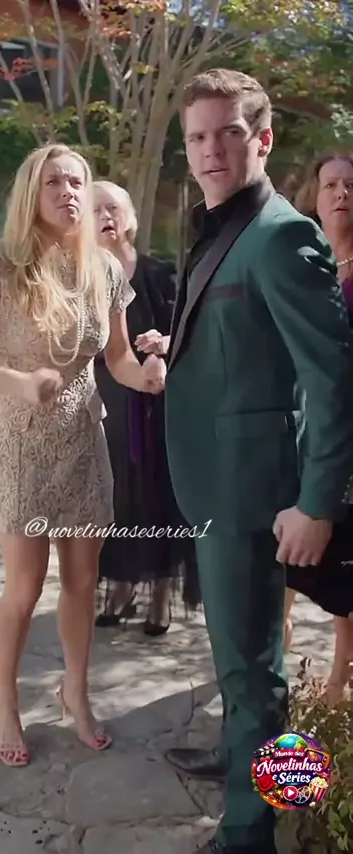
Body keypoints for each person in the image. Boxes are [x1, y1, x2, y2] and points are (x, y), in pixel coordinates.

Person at [138, 69, 353, 854]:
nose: (210, 150)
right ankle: (247, 764)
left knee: (254, 671)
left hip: (256, 494)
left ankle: (249, 831)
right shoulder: (218, 227)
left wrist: (317, 503)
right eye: (197, 137)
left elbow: (333, 381)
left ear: (261, 139)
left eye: (228, 133)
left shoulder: (282, 235)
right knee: (239, 661)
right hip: (213, 486)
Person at [0, 143, 165, 766]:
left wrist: (148, 376)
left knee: (83, 581)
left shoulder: (105, 269)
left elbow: (117, 359)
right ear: (31, 195)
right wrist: (17, 382)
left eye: (76, 181)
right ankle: (5, 700)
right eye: (54, 183)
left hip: (82, 442)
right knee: (23, 588)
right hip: (20, 442)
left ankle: (76, 692)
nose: (69, 192)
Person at [92, 180, 201, 634]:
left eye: (113, 208)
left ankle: (160, 592)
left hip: (158, 403)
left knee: (159, 496)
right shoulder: (80, 277)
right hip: (107, 402)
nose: (105, 217)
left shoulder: (158, 274)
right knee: (118, 497)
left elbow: (188, 330)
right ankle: (121, 585)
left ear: (130, 218)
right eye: (96, 210)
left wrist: (161, 347)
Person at [284, 154, 353, 704]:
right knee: (281, 548)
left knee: (344, 561)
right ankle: (273, 643)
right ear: (316, 194)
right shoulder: (301, 261)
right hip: (292, 424)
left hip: (345, 426)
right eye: (331, 184)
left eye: (351, 185)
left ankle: (338, 680)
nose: (341, 193)